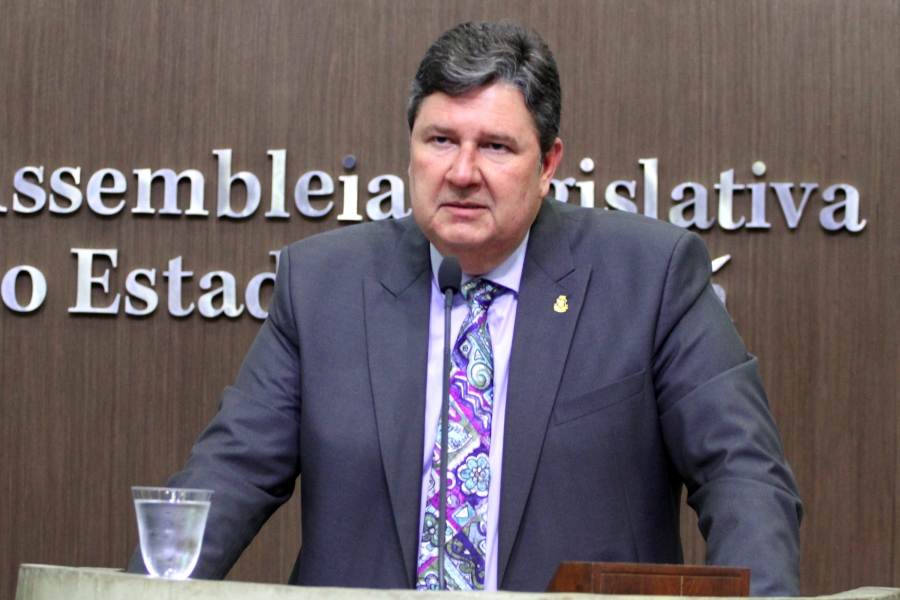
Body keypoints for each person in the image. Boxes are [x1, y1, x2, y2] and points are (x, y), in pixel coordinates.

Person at [128, 22, 802, 595]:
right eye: (440, 140)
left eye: (496, 147)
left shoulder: (650, 276)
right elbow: (231, 474)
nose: (461, 172)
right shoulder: (324, 284)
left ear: (548, 164)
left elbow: (741, 473)